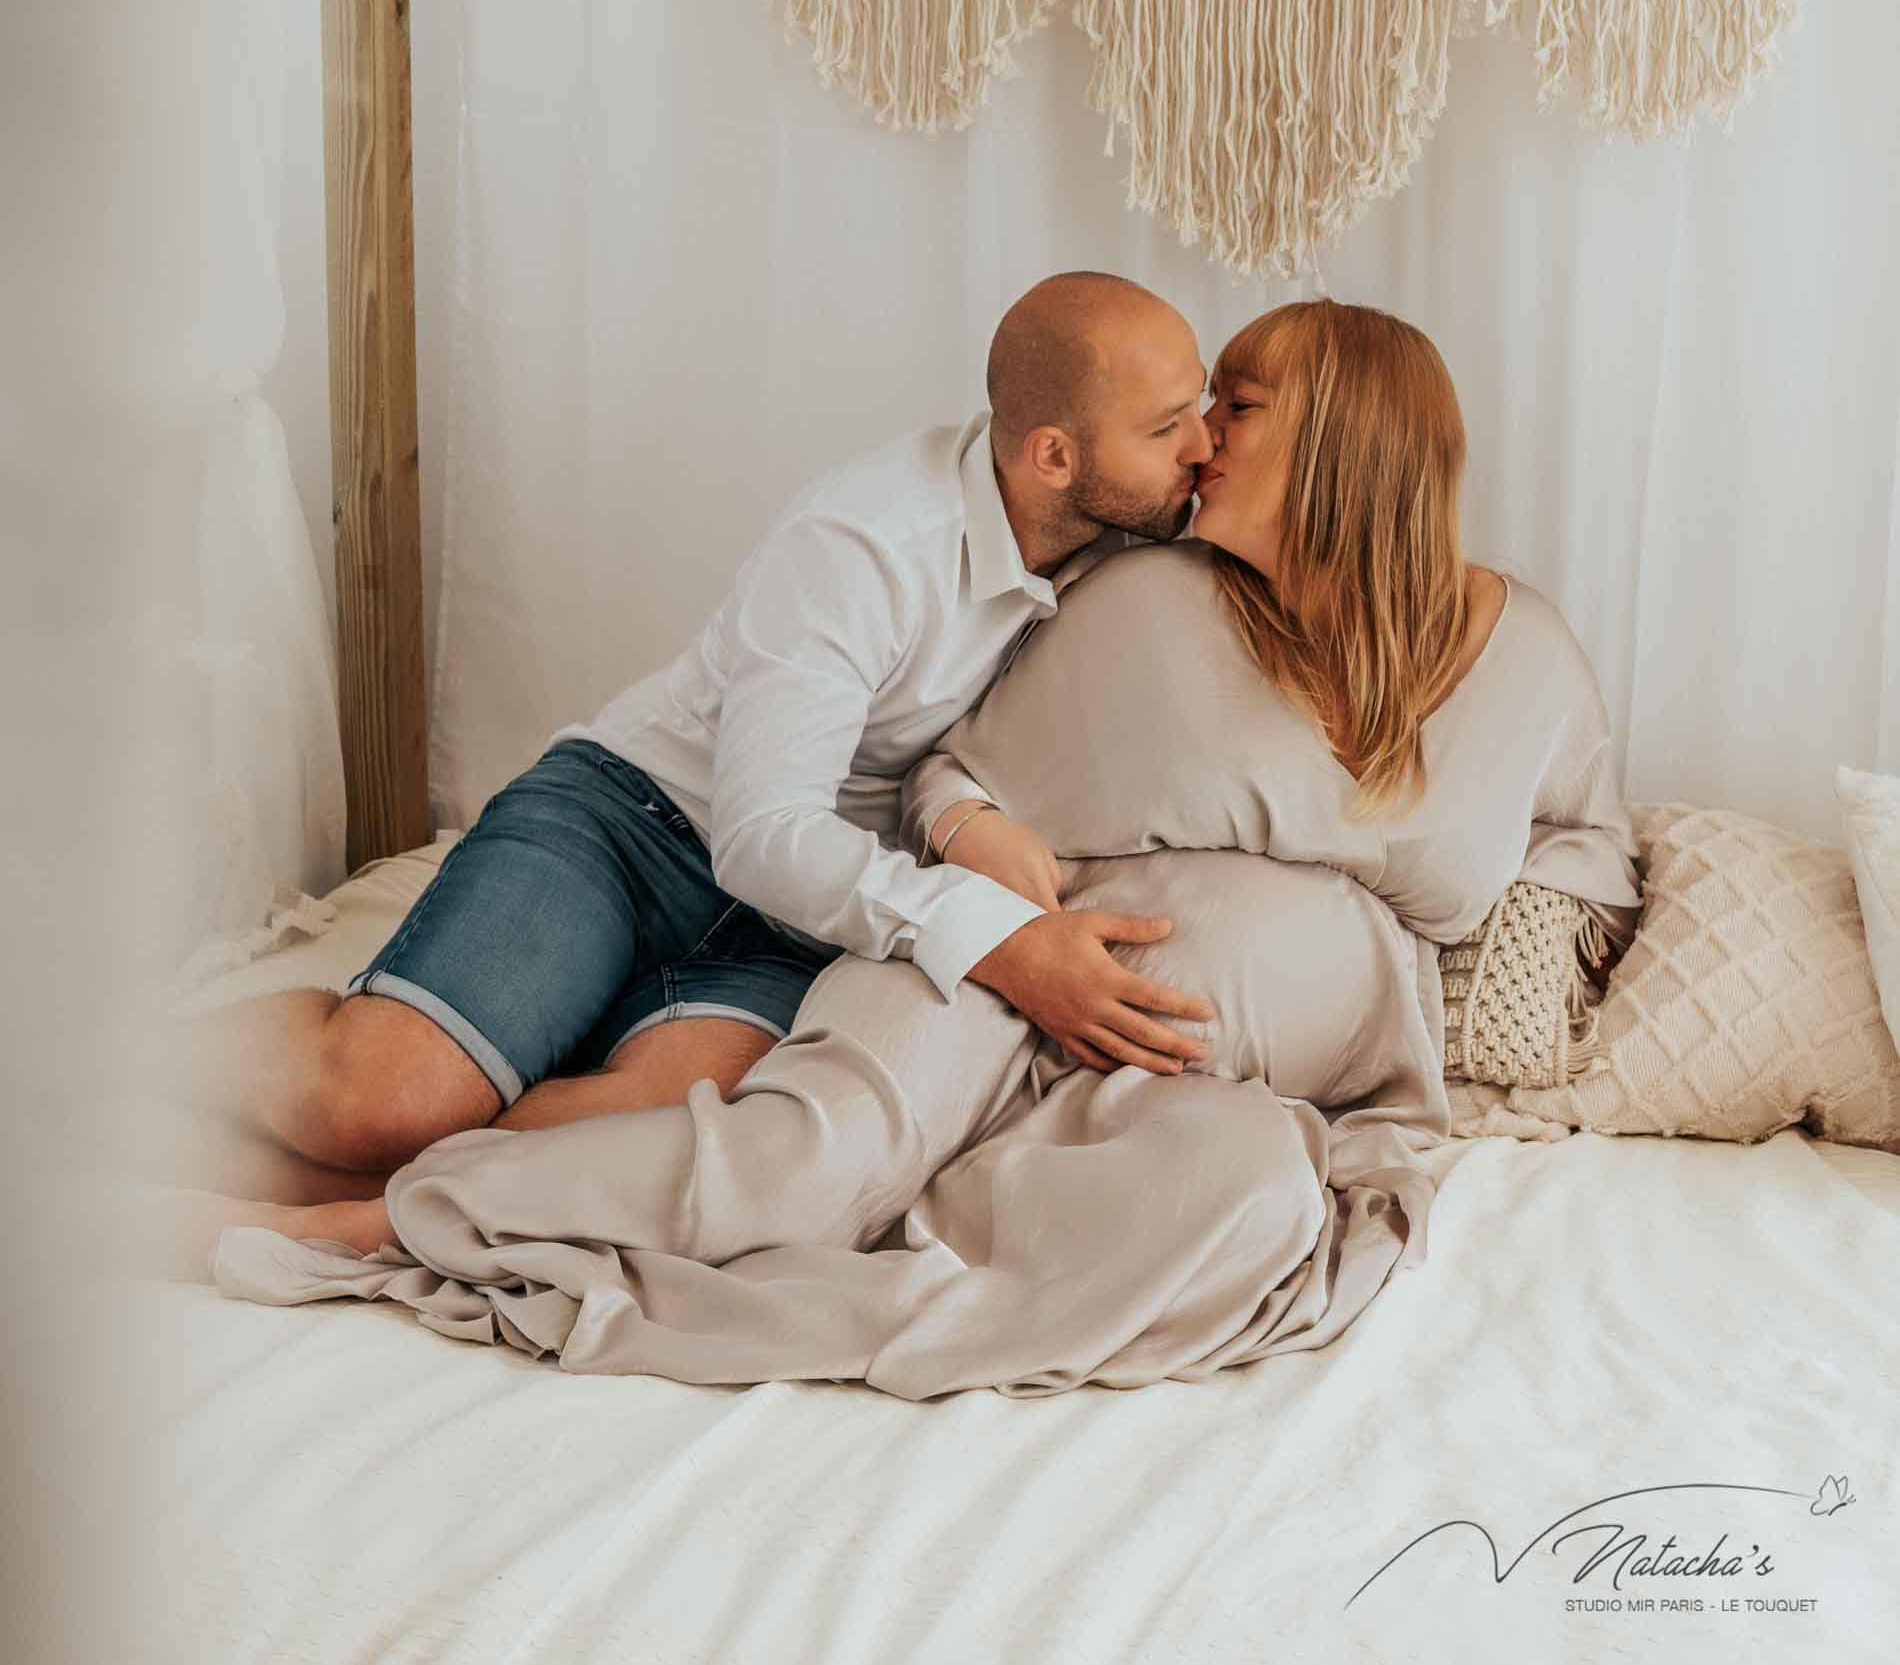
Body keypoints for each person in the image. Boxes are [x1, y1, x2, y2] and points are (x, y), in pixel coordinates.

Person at [202, 298, 1643, 1402]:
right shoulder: (1085, 586)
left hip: (1088, 1019)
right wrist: (990, 896)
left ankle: (395, 1210)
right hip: (821, 898)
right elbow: (910, 786)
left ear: (1346, 444)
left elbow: (1584, 845)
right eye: (1189, 414)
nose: (1203, 437)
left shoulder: (1519, 659)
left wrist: (1523, 991)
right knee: (675, 1152)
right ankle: (305, 1182)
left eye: (1235, 408)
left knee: (1244, 1198)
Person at [131, 271, 1220, 1229]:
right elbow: (762, 834)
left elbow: (955, 741)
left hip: (802, 921)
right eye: (1170, 426)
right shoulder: (864, 546)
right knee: (382, 1105)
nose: (1204, 447)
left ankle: (263, 1160)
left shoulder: (1109, 553)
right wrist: (994, 940)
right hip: (632, 824)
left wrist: (953, 815)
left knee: (630, 1146)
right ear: (1053, 455)